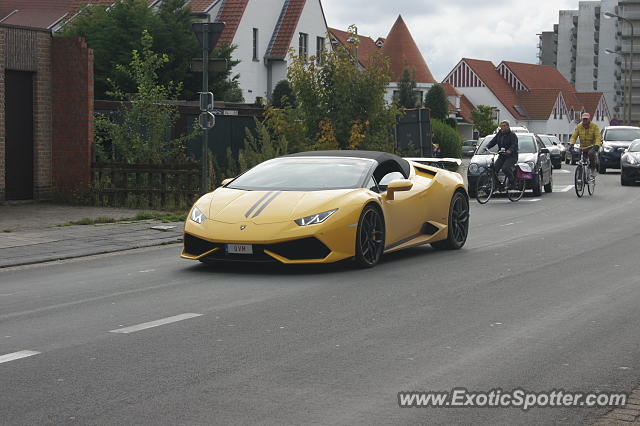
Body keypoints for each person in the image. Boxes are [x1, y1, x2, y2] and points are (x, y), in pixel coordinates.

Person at [485, 120, 518, 187]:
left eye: (504, 126)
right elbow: (493, 141)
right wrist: (487, 146)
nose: (502, 127)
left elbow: (514, 144)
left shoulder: (512, 135)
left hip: (511, 156)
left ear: (508, 127)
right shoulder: (499, 134)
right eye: (501, 126)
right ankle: (496, 184)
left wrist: (510, 150)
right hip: (502, 156)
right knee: (494, 169)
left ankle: (512, 181)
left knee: (505, 168)